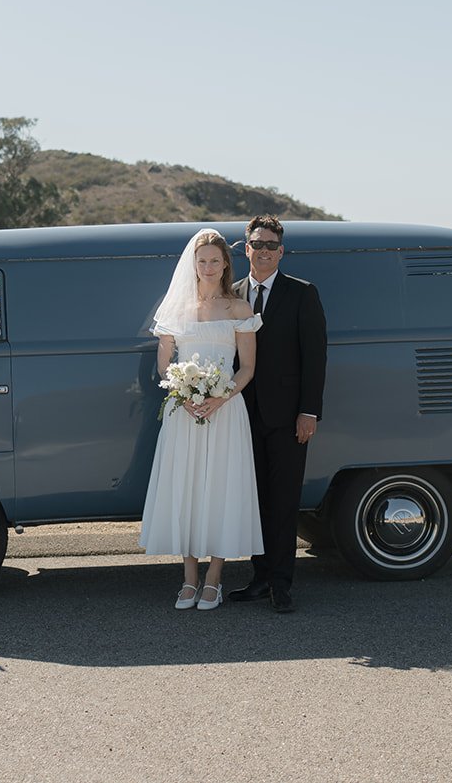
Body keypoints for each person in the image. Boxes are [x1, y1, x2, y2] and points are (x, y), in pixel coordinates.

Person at [139, 229, 264, 611]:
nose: (208, 267)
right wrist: (183, 392)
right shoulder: (176, 310)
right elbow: (165, 366)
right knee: (188, 489)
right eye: (202, 260)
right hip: (184, 413)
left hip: (225, 413)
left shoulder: (239, 309)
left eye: (214, 260)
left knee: (220, 489)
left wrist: (218, 399)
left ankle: (214, 579)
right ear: (192, 265)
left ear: (226, 263)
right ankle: (189, 579)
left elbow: (247, 370)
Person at [230, 216, 327, 613]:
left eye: (272, 245)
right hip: (239, 417)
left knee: (284, 501)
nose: (265, 250)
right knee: (254, 501)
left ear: (281, 251)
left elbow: (315, 358)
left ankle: (282, 584)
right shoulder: (232, 294)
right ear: (246, 248)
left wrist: (309, 412)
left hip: (289, 419)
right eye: (258, 243)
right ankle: (259, 577)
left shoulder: (302, 294)